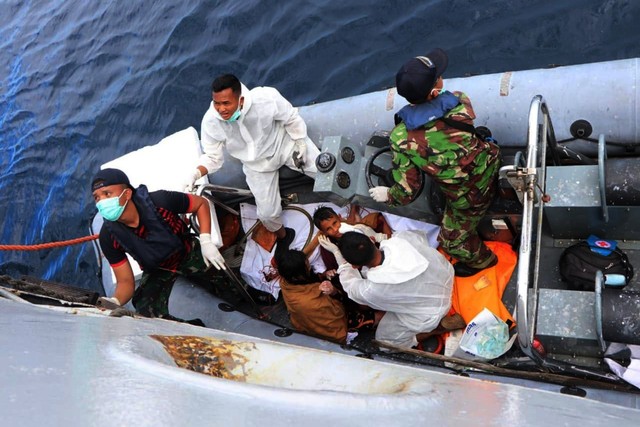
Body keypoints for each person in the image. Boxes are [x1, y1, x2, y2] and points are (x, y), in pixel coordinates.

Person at [368, 48, 501, 277]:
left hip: (467, 197)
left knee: (451, 243)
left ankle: (484, 261)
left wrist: (388, 195)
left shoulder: (400, 138)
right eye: (438, 76)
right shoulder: (459, 101)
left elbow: (408, 192)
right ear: (435, 90)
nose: (441, 77)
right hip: (490, 160)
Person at [189, 73, 320, 243]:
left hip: (284, 145)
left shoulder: (266, 98)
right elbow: (213, 157)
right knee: (267, 214)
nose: (221, 109)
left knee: (325, 171)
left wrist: (300, 141)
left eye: (226, 103)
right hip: (256, 166)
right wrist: (197, 174)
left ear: (241, 100)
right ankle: (283, 237)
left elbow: (291, 118)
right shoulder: (210, 122)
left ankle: (352, 203)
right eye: (217, 103)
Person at [92, 168, 225, 322]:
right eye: (97, 198)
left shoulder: (161, 202)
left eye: (107, 194)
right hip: (157, 269)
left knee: (223, 277)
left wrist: (206, 240)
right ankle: (192, 332)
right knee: (146, 310)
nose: (102, 201)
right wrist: (115, 301)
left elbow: (200, 204)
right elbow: (125, 281)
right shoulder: (108, 237)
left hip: (187, 251)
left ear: (127, 194)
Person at [319, 230, 459, 349]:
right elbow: (420, 237)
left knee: (384, 343)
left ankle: (438, 329)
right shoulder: (401, 239)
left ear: (355, 266)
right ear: (371, 240)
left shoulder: (373, 289)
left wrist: (340, 259)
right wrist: (381, 237)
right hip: (445, 274)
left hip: (434, 310)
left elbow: (351, 287)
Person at [277, 249, 377, 344]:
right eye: (306, 267)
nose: (309, 267)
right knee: (378, 315)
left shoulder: (285, 281)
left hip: (301, 320)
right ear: (297, 276)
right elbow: (339, 311)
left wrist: (325, 275)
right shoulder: (312, 301)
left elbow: (310, 278)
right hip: (333, 327)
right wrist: (334, 292)